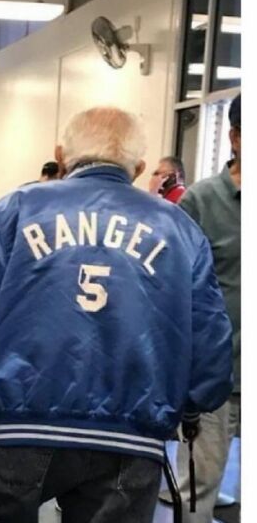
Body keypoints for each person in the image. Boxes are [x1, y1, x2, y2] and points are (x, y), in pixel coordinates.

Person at [0, 107, 233, 523]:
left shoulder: (17, 209)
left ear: (61, 156)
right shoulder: (179, 229)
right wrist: (189, 406)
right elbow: (211, 346)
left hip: (20, 427)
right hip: (131, 438)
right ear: (139, 167)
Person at [166, 94, 241, 521]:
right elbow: (177, 293)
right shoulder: (200, 202)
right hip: (218, 380)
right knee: (197, 495)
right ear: (234, 137)